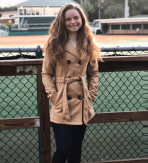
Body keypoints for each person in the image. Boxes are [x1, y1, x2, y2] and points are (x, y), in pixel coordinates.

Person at [42, 3, 102, 163]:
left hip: (82, 103)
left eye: (76, 17)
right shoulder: (54, 44)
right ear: (62, 22)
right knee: (63, 149)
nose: (73, 21)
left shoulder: (88, 42)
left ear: (81, 19)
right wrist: (53, 96)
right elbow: (46, 73)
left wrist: (91, 94)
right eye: (68, 19)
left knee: (76, 149)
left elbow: (93, 72)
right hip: (62, 102)